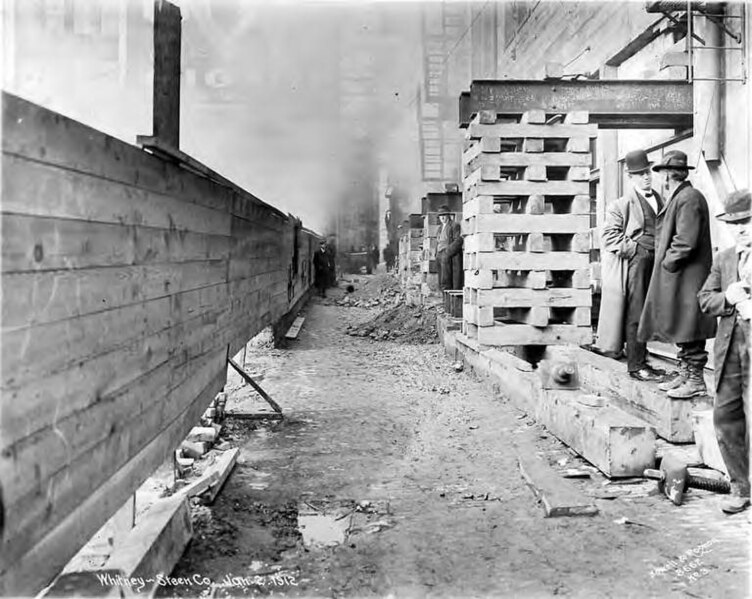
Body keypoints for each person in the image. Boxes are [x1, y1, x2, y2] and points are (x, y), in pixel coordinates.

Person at [638, 150, 716, 398]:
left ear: (667, 176)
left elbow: (685, 241)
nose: (660, 180)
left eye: (661, 174)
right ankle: (685, 374)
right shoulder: (682, 196)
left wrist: (667, 264)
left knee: (690, 327)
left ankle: (695, 381)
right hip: (680, 277)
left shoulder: (689, 198)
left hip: (687, 278)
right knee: (683, 327)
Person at [697, 189, 751, 514]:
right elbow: (705, 299)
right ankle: (741, 488)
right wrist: (728, 298)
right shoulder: (725, 258)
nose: (741, 229)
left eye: (746, 221)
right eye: (735, 224)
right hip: (730, 347)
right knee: (726, 415)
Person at [599, 149, 665, 380]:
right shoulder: (621, 204)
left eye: (648, 172)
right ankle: (636, 366)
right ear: (631, 177)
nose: (646, 177)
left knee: (652, 311)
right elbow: (609, 236)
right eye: (640, 174)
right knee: (636, 311)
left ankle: (643, 359)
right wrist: (637, 250)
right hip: (637, 263)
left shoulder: (660, 199)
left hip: (660, 263)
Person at [436, 205, 463, 291]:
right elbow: (438, 242)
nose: (442, 217)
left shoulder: (454, 225)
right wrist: (436, 253)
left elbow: (458, 240)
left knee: (447, 282)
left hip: (449, 255)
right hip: (440, 255)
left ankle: (450, 302)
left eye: (444, 215)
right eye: (440, 216)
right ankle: (444, 299)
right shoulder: (439, 228)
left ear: (448, 216)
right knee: (441, 281)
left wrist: (447, 252)